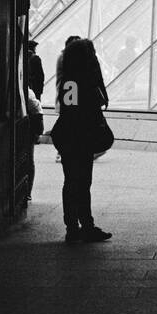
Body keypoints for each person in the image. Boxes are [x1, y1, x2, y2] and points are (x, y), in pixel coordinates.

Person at [52, 38, 112, 244]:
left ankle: (75, 227)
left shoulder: (70, 80)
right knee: (81, 182)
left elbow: (69, 108)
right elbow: (85, 107)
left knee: (72, 181)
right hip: (79, 136)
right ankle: (83, 226)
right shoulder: (82, 81)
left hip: (69, 136)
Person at [26, 91, 44, 198]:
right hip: (32, 123)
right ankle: (27, 193)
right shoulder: (30, 93)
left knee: (28, 159)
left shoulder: (27, 93)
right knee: (29, 159)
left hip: (29, 125)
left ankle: (27, 192)